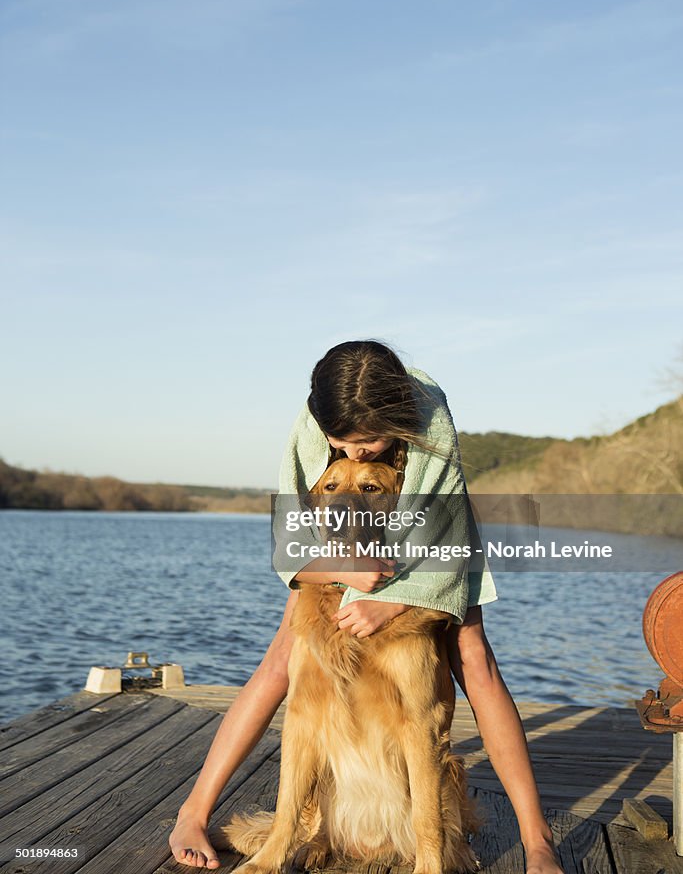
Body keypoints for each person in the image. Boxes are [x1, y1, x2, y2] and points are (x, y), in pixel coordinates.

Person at [169, 341, 564, 874]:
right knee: (281, 658)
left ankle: (537, 840)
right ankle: (192, 813)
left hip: (433, 535)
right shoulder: (312, 423)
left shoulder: (429, 421)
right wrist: (343, 571)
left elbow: (439, 537)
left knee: (473, 654)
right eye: (340, 443)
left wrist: (393, 598)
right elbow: (291, 551)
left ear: (397, 422)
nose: (353, 453)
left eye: (367, 443)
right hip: (340, 556)